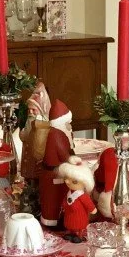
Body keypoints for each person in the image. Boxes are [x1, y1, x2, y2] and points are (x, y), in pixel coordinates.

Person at [39, 99, 73, 227]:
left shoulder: (61, 132)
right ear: (62, 122)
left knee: (55, 198)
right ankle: (54, 221)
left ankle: (56, 219)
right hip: (54, 174)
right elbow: (63, 154)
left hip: (55, 173)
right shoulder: (56, 134)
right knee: (53, 199)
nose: (70, 125)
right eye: (68, 122)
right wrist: (72, 160)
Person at [56, 156, 97, 241]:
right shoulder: (69, 192)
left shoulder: (82, 195)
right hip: (69, 216)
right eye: (66, 178)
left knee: (79, 225)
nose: (67, 182)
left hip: (80, 217)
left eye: (74, 181)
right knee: (70, 224)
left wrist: (93, 209)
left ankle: (79, 235)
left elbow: (88, 203)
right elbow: (65, 201)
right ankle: (71, 233)